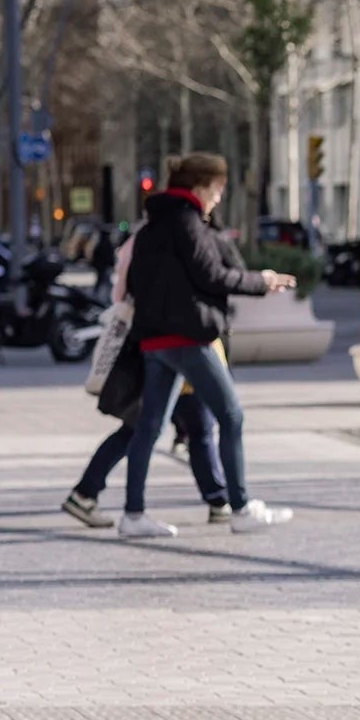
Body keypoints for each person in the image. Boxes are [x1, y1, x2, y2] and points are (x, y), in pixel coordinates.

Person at [116, 152, 295, 538]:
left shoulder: (151, 226)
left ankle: (133, 515)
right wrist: (261, 281)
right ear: (200, 187)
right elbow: (212, 275)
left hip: (154, 341)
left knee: (149, 426)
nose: (218, 199)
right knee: (231, 416)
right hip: (188, 338)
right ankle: (242, 507)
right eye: (217, 190)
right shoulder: (188, 223)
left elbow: (135, 283)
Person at [62, 207, 232, 529]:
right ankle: (101, 498)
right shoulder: (164, 241)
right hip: (167, 347)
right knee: (152, 427)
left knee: (182, 425)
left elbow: (121, 292)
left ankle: (217, 499)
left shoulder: (147, 239)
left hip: (160, 346)